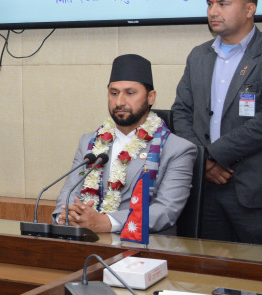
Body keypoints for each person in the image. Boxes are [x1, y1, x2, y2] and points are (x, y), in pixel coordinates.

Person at [53, 55, 195, 234]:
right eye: (114, 93)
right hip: (86, 240)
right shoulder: (89, 142)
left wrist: (106, 222)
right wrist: (65, 216)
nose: (119, 102)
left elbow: (166, 211)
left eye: (130, 93)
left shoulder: (178, 150)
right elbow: (69, 193)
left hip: (147, 244)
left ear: (151, 97)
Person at [172, 0, 262, 244]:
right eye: (210, 3)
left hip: (253, 190)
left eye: (223, 4)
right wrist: (203, 162)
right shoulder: (199, 55)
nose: (213, 11)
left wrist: (213, 156)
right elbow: (181, 112)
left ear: (249, 9)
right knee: (207, 265)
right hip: (205, 188)